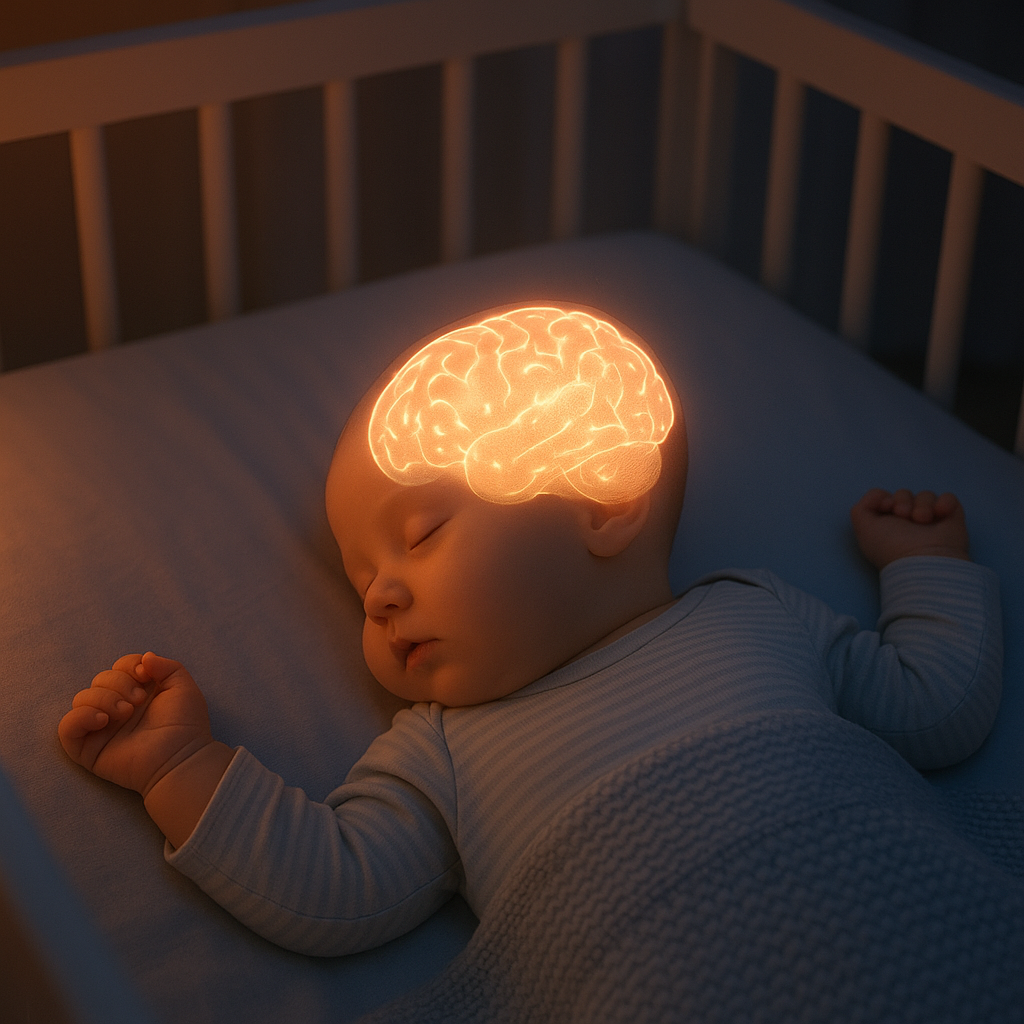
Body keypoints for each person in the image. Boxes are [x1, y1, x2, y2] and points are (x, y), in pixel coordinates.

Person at [57, 305, 1000, 958]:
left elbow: (933, 706)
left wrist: (926, 566)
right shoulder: (443, 751)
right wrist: (182, 768)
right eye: (360, 583)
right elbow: (337, 887)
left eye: (421, 534)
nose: (379, 598)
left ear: (603, 504)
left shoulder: (755, 612)